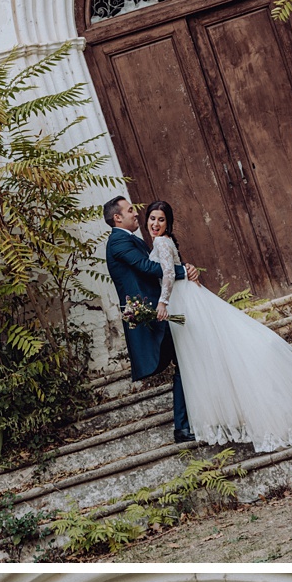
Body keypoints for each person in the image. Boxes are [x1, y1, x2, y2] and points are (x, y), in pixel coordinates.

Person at [144, 199, 292, 462]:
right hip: (189, 299)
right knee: (209, 355)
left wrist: (162, 302)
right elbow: (173, 270)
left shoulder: (160, 242)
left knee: (206, 357)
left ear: (168, 223)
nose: (155, 224)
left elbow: (168, 274)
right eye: (152, 219)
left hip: (182, 302)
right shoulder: (165, 242)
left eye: (161, 219)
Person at [103, 191, 195, 446]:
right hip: (152, 315)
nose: (137, 213)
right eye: (131, 210)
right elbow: (149, 268)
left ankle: (187, 424)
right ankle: (184, 427)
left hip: (160, 310)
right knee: (185, 363)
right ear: (118, 217)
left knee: (186, 363)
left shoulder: (133, 240)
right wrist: (184, 271)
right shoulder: (119, 243)